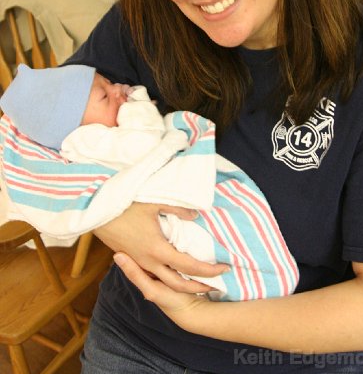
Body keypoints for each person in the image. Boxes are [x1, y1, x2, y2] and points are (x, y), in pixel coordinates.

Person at [8, 0, 363, 374]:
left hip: (290, 362)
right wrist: (111, 215)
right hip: (136, 337)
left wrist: (201, 316)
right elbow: (22, 128)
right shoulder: (143, 26)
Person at [0, 63, 299, 302]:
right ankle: (255, 283)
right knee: (211, 236)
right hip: (161, 207)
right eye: (104, 95)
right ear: (73, 124)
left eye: (108, 82)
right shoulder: (86, 140)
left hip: (158, 198)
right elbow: (145, 146)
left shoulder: (93, 128)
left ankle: (256, 281)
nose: (118, 89)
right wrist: (138, 106)